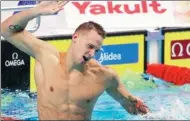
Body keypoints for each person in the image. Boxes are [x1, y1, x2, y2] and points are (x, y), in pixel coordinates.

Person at [1, 1, 150, 120]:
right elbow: (5, 29)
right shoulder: (47, 57)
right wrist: (36, 11)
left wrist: (146, 110)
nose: (92, 53)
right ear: (75, 37)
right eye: (90, 46)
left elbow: (131, 105)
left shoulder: (104, 76)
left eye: (96, 50)